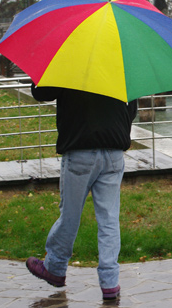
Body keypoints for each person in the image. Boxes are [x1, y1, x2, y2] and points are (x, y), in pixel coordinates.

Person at [26, 84, 137, 300]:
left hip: (80, 150)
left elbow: (41, 93)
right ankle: (110, 283)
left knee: (70, 214)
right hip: (114, 151)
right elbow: (131, 107)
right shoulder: (119, 64)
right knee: (109, 219)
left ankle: (55, 268)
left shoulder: (70, 63)